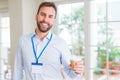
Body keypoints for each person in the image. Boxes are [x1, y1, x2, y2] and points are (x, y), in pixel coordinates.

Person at [12, 1, 84, 80]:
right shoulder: (23, 41)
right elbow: (17, 70)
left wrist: (77, 71)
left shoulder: (61, 43)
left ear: (54, 20)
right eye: (42, 14)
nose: (45, 19)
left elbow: (70, 72)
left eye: (50, 16)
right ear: (36, 16)